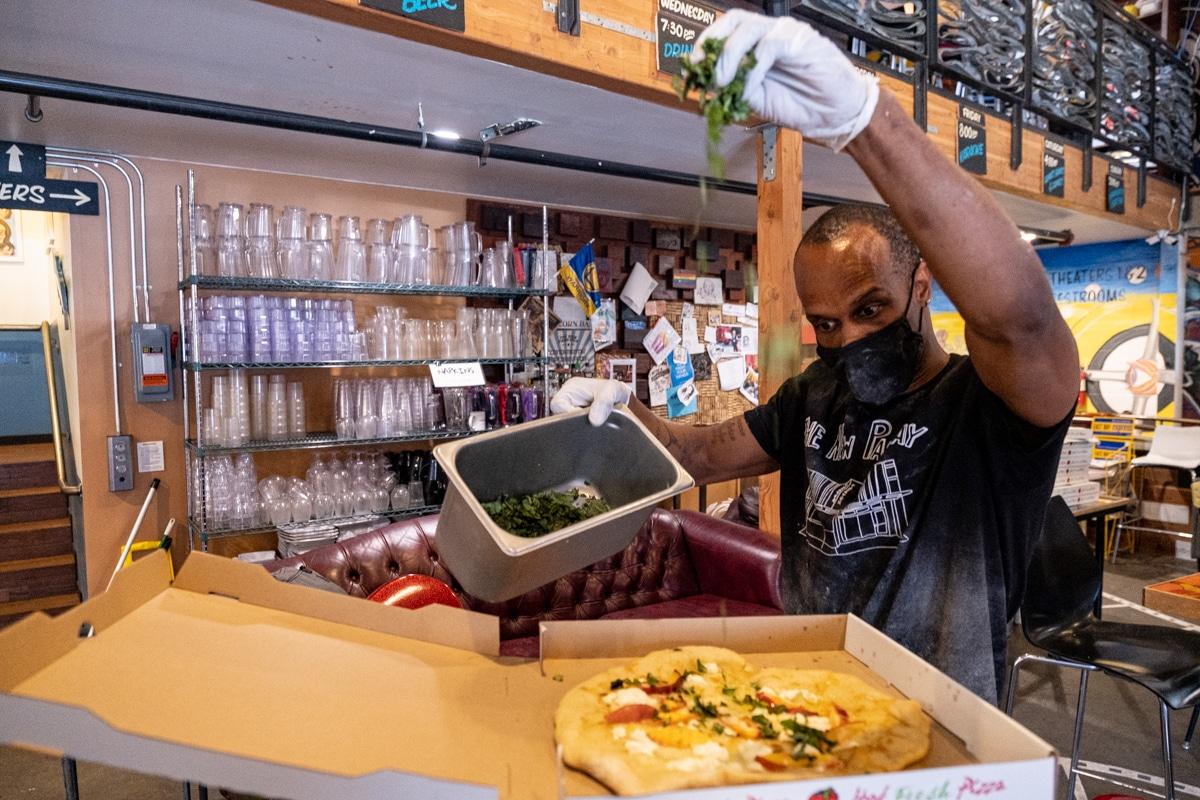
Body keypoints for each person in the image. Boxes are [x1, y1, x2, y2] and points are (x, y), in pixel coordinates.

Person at [550, 9, 1079, 703]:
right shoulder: (813, 397)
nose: (849, 341)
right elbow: (699, 455)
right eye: (826, 324)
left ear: (921, 286)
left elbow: (1022, 321)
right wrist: (620, 412)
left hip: (949, 730)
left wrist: (867, 123)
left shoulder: (988, 407)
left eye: (870, 310)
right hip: (815, 706)